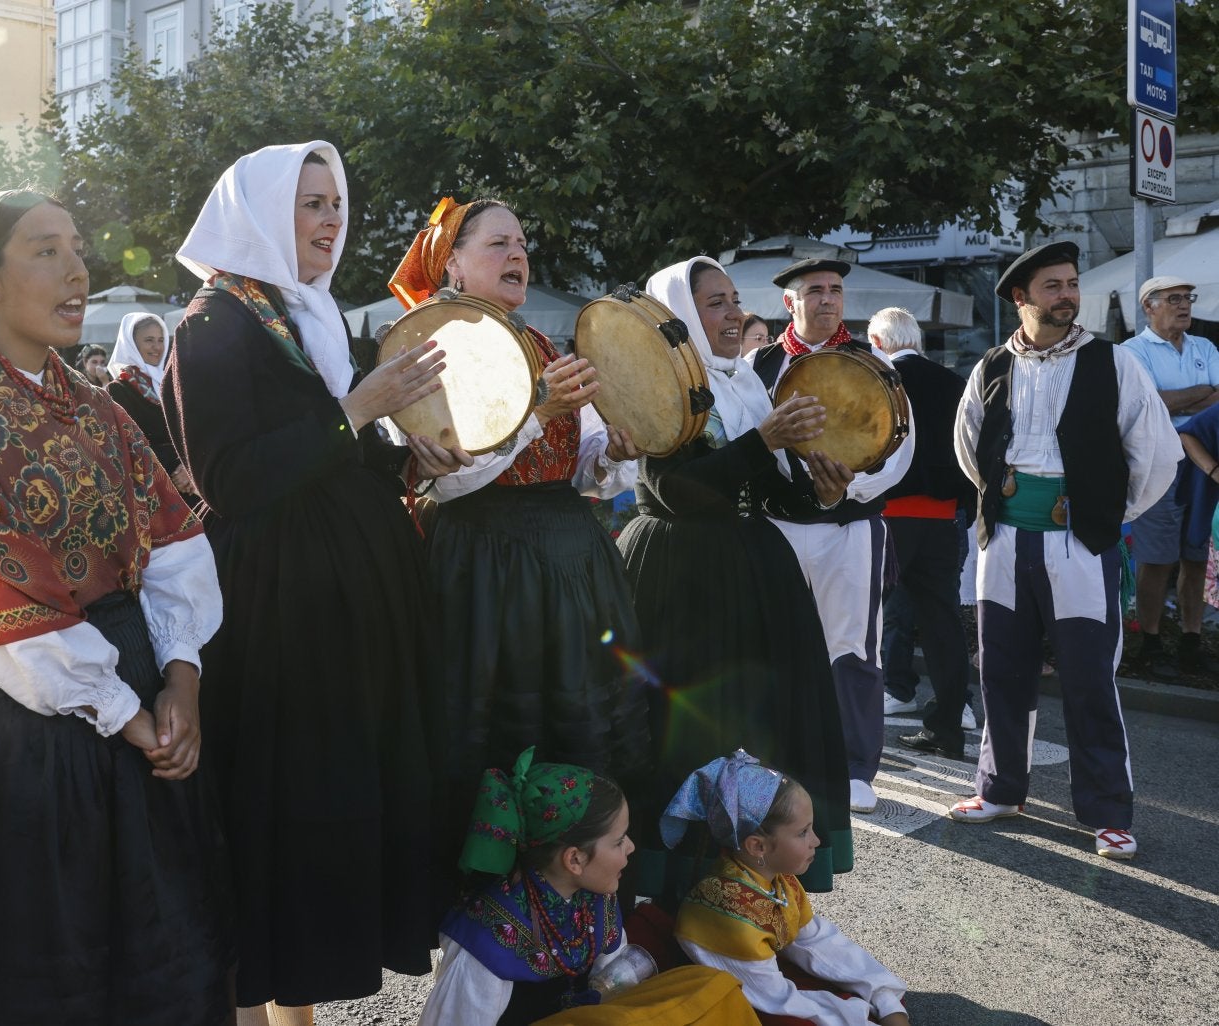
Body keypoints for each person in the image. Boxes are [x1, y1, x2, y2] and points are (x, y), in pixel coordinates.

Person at [0, 189, 234, 1024]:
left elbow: (173, 541)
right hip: (36, 734)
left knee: (173, 955)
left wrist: (181, 680)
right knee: (64, 963)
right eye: (45, 250)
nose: (77, 269)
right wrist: (126, 712)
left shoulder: (94, 406)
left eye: (77, 247)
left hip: (145, 703)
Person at [165, 141, 459, 1022]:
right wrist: (356, 412)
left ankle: (300, 1008)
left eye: (336, 204)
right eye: (309, 205)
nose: (331, 221)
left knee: (336, 801)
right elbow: (232, 480)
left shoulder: (308, 313)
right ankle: (262, 1010)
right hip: (277, 608)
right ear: (257, 213)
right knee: (284, 805)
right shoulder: (212, 322)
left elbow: (335, 458)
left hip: (345, 601)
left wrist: (405, 454)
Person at [386, 196, 646, 853]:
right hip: (486, 561)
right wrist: (539, 405)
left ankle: (578, 882)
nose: (518, 254)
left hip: (570, 555)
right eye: (498, 243)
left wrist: (610, 452)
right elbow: (452, 479)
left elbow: (575, 465)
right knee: (498, 725)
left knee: (578, 720)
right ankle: (495, 903)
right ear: (454, 266)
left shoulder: (536, 342)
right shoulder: (431, 345)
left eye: (522, 243)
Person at [623, 257, 855, 900]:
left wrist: (824, 496)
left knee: (764, 727)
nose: (733, 315)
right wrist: (763, 441)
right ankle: (687, 896)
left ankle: (756, 892)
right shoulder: (658, 385)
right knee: (698, 733)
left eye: (733, 300)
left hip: (754, 574)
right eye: (715, 304)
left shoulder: (744, 384)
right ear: (678, 318)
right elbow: (673, 490)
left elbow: (768, 497)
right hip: (685, 580)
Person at [950, 241, 1179, 859]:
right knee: (1000, 669)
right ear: (1021, 299)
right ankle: (999, 790)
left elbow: (1154, 454)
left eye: (1071, 284)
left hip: (1081, 544)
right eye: (1052, 286)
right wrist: (1005, 504)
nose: (1067, 296)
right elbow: (968, 446)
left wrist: (1105, 516)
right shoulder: (991, 366)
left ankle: (1108, 813)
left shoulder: (1113, 364)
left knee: (1089, 678)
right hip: (1002, 542)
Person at [419, 749, 756, 1026]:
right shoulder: (486, 939)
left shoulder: (591, 898)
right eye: (619, 841)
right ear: (575, 860)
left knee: (715, 985)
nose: (631, 848)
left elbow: (613, 974)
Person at [748, 259, 915, 814]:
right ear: (789, 303)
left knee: (852, 645)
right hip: (778, 525)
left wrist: (848, 488)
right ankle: (778, 755)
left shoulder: (876, 363)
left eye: (836, 290)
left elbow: (899, 447)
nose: (828, 299)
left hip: (849, 528)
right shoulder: (758, 365)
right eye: (814, 290)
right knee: (774, 642)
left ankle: (853, 765)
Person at [664, 752, 909, 1026]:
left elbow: (818, 941)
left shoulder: (776, 879)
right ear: (758, 846)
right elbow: (778, 1000)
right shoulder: (732, 911)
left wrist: (884, 996)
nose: (816, 840)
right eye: (803, 832)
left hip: (761, 983)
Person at [860, 307, 979, 760]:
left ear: (878, 339)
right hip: (944, 517)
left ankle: (859, 726)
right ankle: (949, 725)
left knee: (867, 619)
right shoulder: (954, 382)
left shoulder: (881, 380)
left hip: (891, 513)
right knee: (942, 623)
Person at [1120, 275, 1218, 680]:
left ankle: (1192, 642)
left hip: (1203, 460)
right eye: (1174, 299)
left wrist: (1177, 399)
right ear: (1149, 306)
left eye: (1188, 298)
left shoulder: (1204, 346)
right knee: (1157, 557)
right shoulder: (1131, 352)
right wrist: (1200, 392)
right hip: (1158, 461)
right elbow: (1151, 404)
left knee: (1196, 555)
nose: (1184, 305)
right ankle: (1152, 642)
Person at [107, 311, 198, 505]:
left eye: (160, 339)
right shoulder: (117, 391)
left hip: (194, 483)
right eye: (149, 340)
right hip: (154, 493)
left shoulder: (175, 380)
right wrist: (176, 469)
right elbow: (125, 447)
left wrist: (189, 468)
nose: (157, 347)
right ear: (131, 343)